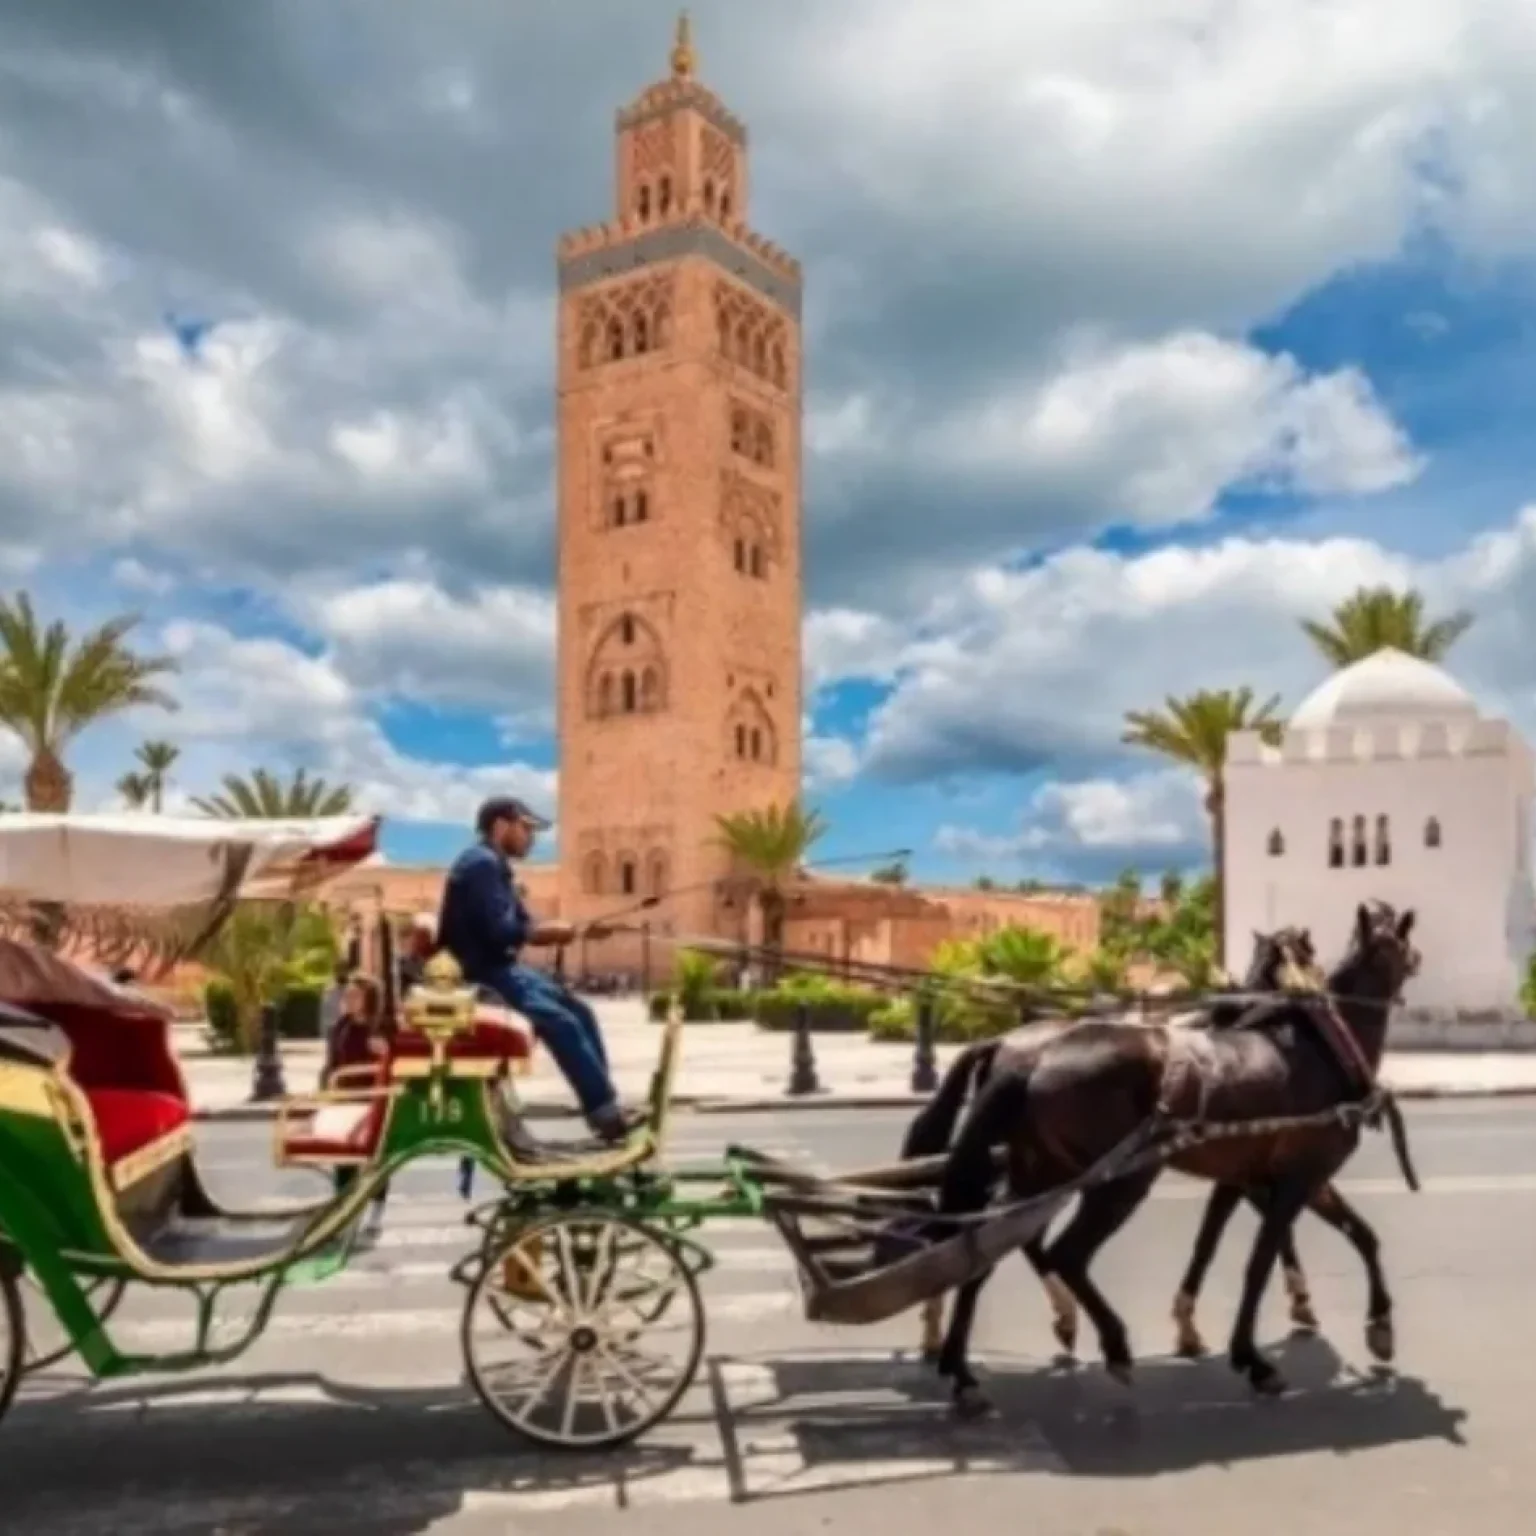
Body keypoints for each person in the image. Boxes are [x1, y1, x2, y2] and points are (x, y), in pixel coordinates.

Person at [438, 796, 639, 1148]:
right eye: (526, 828)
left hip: (502, 968)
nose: (532, 837)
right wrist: (549, 932)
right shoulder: (481, 865)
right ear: (501, 826)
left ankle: (605, 1107)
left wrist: (578, 930)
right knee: (561, 1022)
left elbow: (525, 922)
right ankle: (604, 1114)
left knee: (581, 1012)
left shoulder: (494, 866)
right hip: (482, 974)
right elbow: (502, 931)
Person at [322, 972, 390, 1237]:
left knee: (375, 1158)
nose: (348, 1000)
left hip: (371, 1101)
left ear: (368, 999)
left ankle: (375, 1211)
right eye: (347, 995)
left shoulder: (379, 1029)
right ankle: (344, 1209)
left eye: (354, 996)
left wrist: (384, 1053)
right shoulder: (342, 1026)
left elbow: (390, 1065)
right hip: (344, 1099)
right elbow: (333, 1061)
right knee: (343, 1157)